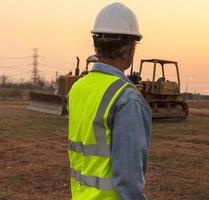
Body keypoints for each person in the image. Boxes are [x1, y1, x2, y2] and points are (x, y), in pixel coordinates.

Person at [67, 3, 151, 200]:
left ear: (96, 46)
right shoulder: (127, 99)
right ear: (130, 49)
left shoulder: (78, 89)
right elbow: (128, 179)